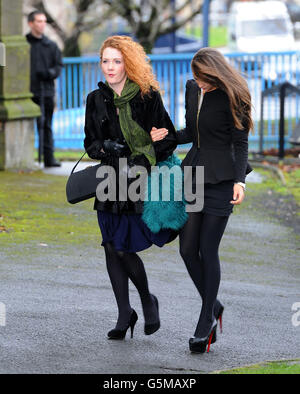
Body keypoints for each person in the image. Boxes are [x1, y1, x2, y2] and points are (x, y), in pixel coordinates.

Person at [151, 47, 253, 353]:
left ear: (215, 73)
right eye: (197, 78)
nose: (200, 83)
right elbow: (193, 133)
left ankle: (205, 318)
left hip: (222, 179)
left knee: (208, 250)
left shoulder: (235, 95)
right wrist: (165, 135)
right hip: (194, 175)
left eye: (204, 78)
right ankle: (214, 304)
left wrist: (240, 181)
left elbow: (241, 141)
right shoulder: (192, 88)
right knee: (186, 249)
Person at [83, 36, 178, 340]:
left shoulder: (148, 97)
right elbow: (90, 143)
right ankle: (125, 313)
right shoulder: (95, 99)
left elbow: (168, 138)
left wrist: (154, 141)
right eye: (105, 61)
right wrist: (103, 146)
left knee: (124, 247)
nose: (110, 67)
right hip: (110, 177)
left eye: (117, 61)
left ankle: (148, 301)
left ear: (129, 62)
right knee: (111, 246)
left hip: (138, 176)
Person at [26, 10, 63, 167]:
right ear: (31, 23)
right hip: (28, 92)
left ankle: (49, 158)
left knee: (47, 125)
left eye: (44, 21)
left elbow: (58, 66)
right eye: (39, 21)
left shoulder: (51, 45)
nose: (42, 24)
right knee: (27, 126)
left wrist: (49, 73)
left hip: (46, 92)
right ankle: (26, 158)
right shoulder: (24, 45)